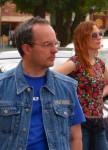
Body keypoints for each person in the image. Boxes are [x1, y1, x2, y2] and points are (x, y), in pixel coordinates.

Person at [0, 16, 85, 150]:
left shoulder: (67, 87)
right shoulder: (3, 87)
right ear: (27, 49)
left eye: (55, 43)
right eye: (47, 44)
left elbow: (75, 137)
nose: (55, 50)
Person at [54, 21, 108, 150]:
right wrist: (65, 101)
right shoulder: (76, 62)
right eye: (94, 35)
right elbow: (52, 76)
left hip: (98, 120)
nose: (99, 37)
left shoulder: (99, 63)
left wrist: (99, 95)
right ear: (83, 39)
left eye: (100, 34)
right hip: (81, 122)